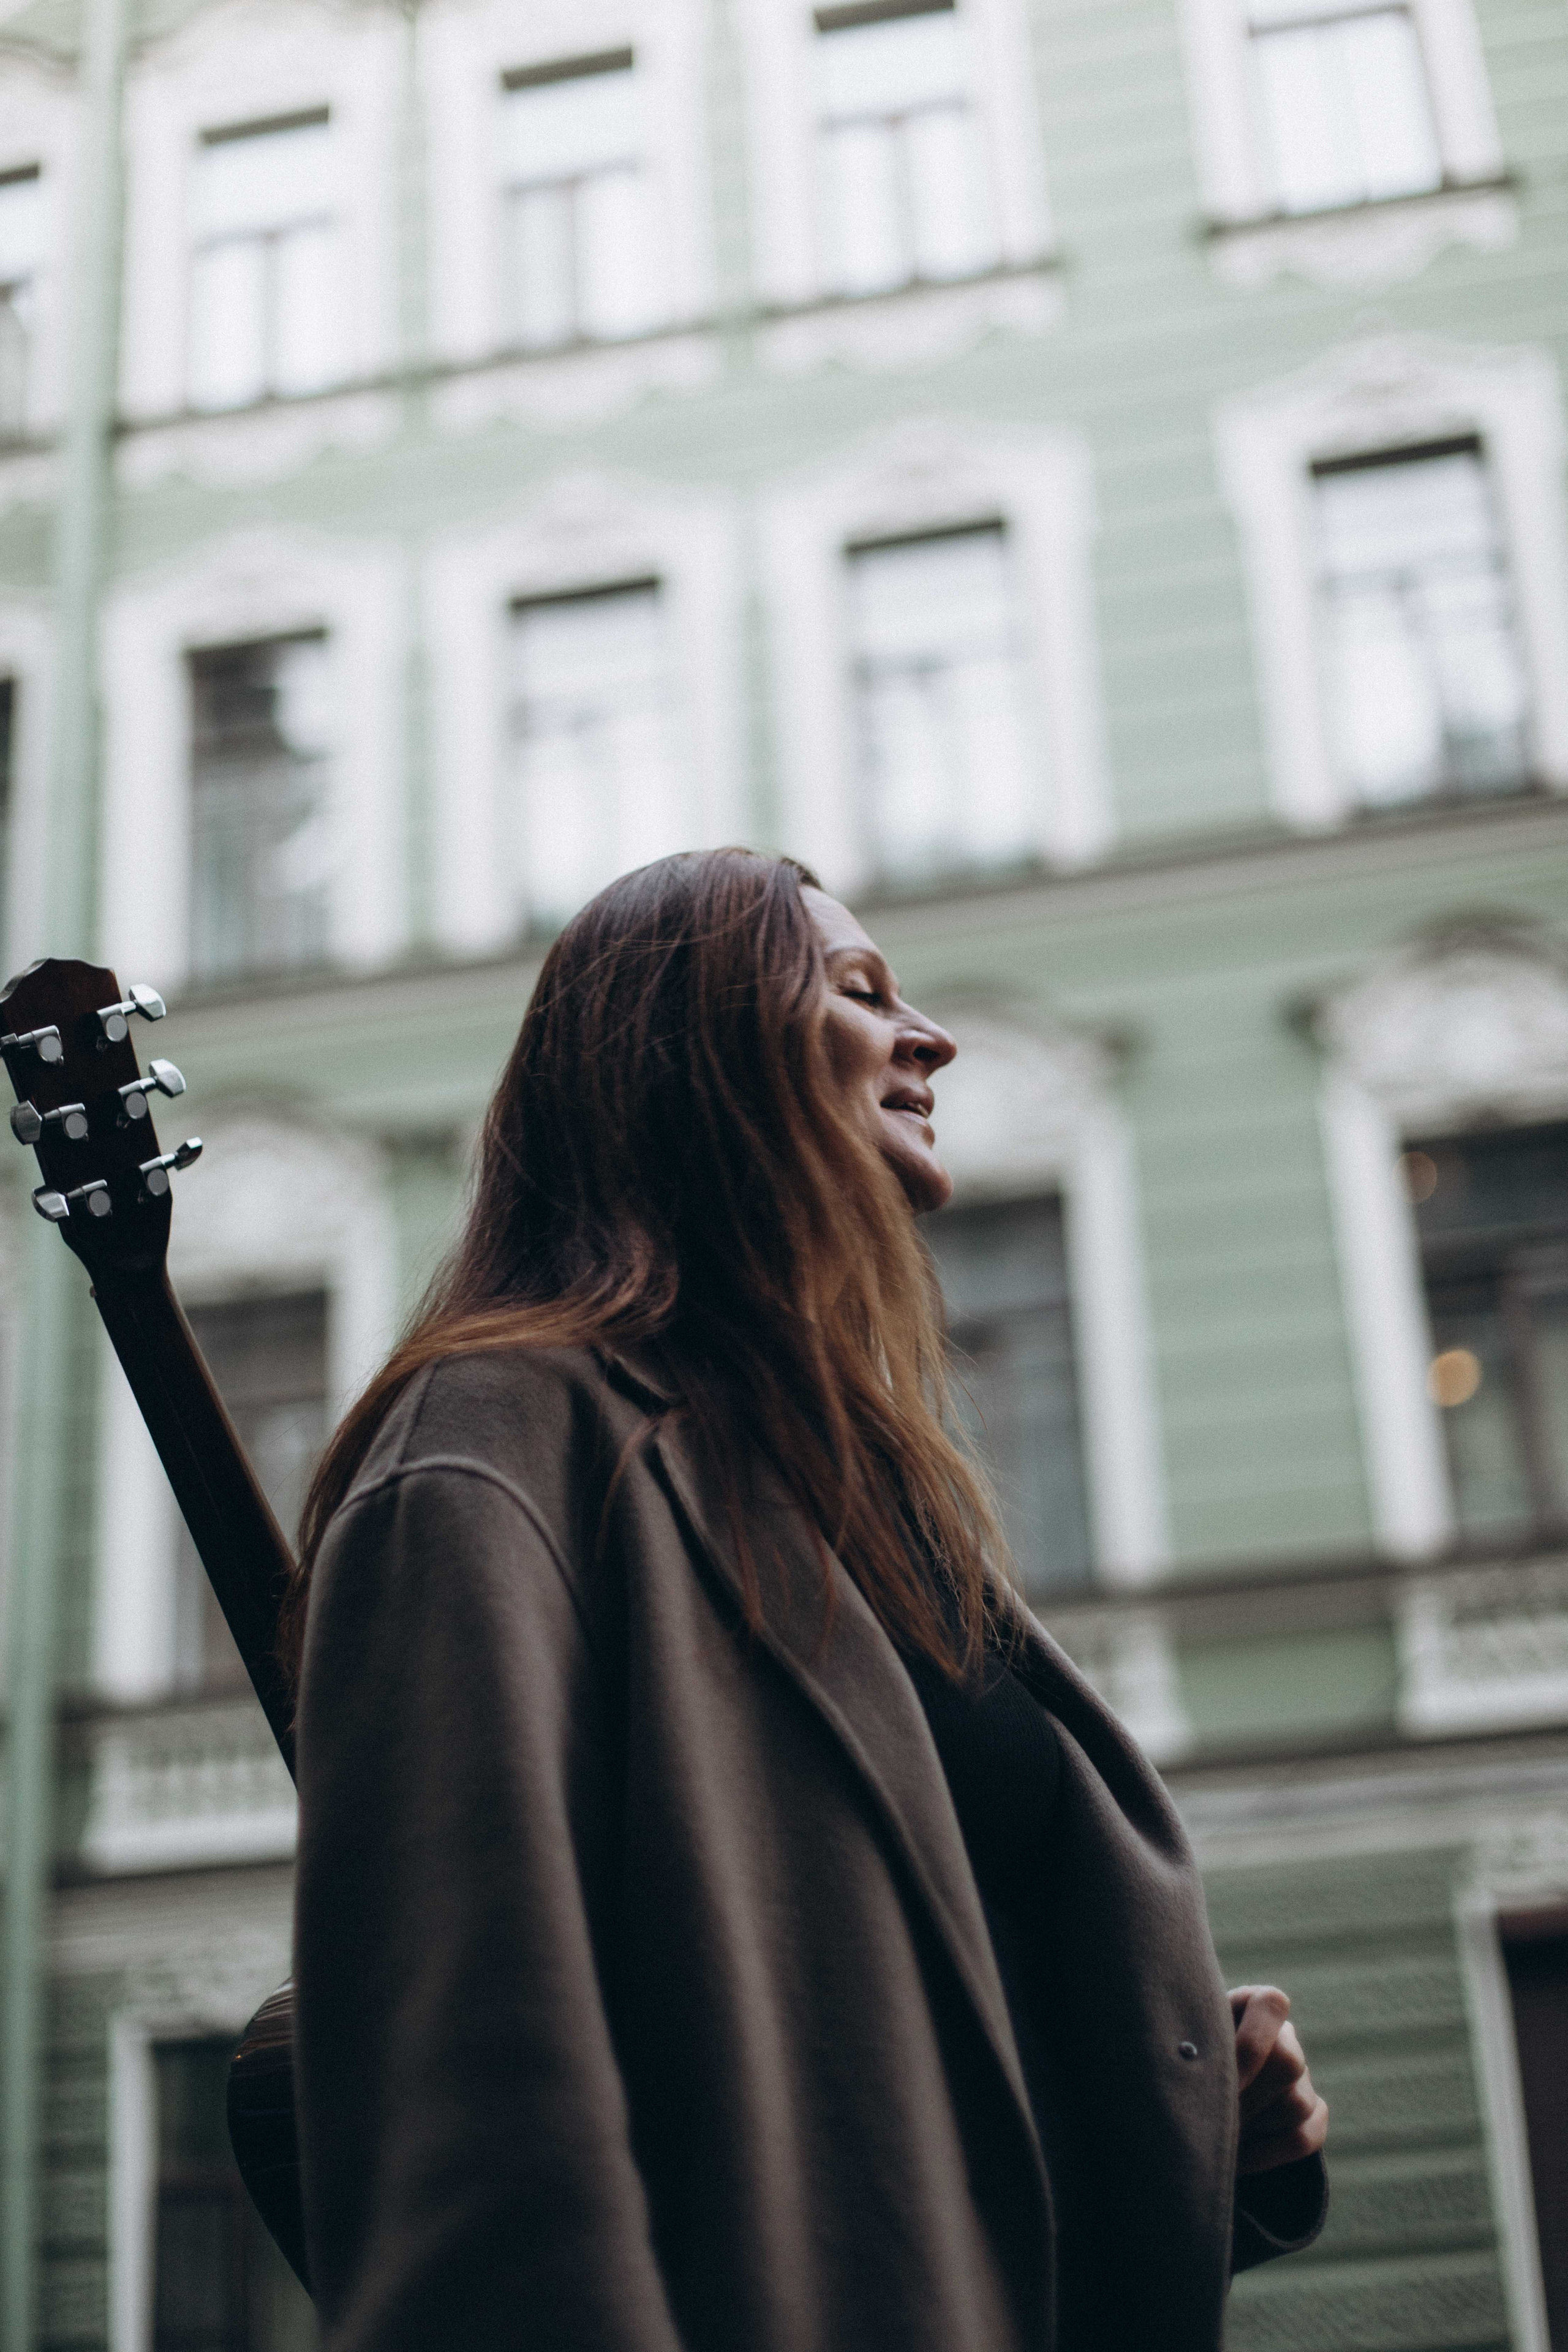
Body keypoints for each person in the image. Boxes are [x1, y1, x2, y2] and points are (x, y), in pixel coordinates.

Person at [287, 848, 1328, 2352]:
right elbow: (479, 2130)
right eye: (857, 993)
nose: (932, 1038)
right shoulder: (495, 1441)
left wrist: (1203, 2133)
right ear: (691, 1052)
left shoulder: (852, 1488)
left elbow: (915, 2102)